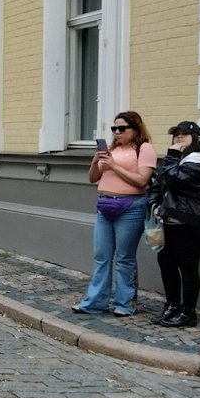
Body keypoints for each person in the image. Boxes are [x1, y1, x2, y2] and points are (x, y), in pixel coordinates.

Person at [73, 111, 157, 317]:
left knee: (124, 258)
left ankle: (124, 303)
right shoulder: (111, 149)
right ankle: (95, 303)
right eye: (114, 129)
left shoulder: (144, 149)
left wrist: (114, 165)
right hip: (105, 205)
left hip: (131, 207)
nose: (117, 132)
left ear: (135, 129)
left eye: (122, 128)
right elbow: (93, 178)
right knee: (101, 256)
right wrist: (96, 161)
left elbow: (141, 181)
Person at [148, 121, 200, 327]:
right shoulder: (176, 160)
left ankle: (189, 312)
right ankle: (172, 305)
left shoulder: (198, 160)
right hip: (170, 221)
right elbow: (158, 183)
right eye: (176, 135)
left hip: (191, 222)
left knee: (188, 267)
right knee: (166, 264)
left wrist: (172, 156)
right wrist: (155, 203)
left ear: (195, 138)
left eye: (184, 135)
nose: (178, 138)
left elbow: (176, 180)